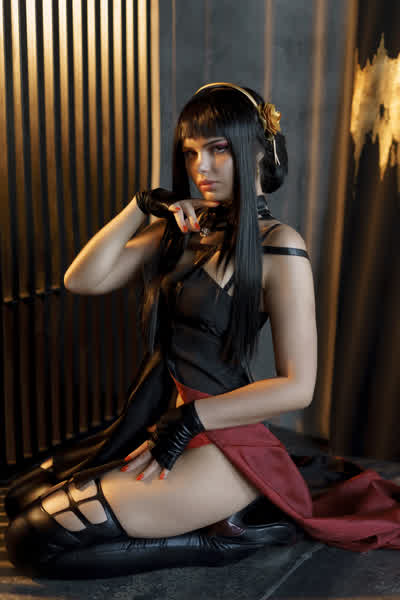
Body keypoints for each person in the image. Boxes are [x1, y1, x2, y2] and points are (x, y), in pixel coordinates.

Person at [5, 82, 400, 580]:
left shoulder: (280, 247)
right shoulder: (183, 231)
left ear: (260, 151)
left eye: (218, 149)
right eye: (191, 153)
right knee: (20, 499)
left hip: (218, 440)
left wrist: (190, 419)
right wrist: (140, 205)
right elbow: (81, 280)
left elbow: (298, 387)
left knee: (32, 539)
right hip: (151, 425)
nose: (201, 168)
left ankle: (222, 539)